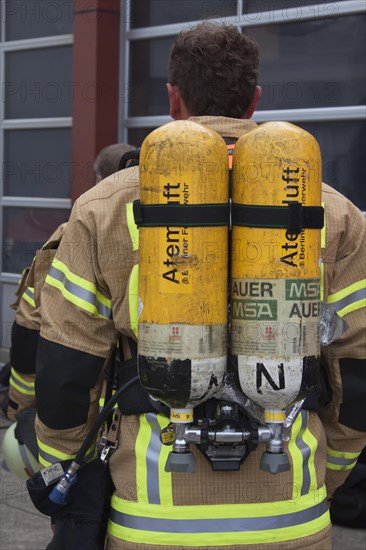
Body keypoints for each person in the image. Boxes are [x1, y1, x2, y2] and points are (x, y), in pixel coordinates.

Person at [34, 23, 366, 550]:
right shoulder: (334, 212)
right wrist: (332, 471)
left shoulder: (104, 207)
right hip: (293, 512)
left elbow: (66, 367)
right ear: (255, 98)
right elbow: (356, 367)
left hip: (152, 518)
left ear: (173, 97)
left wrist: (61, 468)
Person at [6, 142, 134, 423]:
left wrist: (21, 410)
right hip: (141, 413)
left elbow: (31, 327)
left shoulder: (75, 234)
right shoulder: (172, 232)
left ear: (99, 180)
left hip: (89, 414)